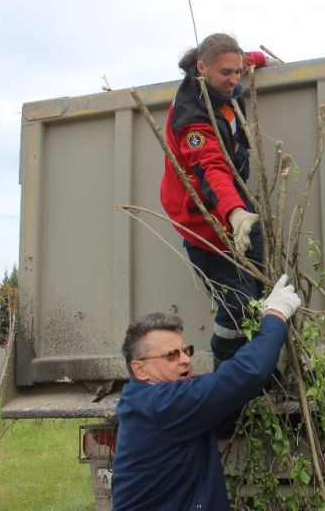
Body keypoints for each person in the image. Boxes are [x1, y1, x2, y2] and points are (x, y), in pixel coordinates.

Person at [111, 275, 301, 510]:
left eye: (185, 351)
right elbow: (243, 376)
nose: (185, 361)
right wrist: (276, 316)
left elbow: (225, 392)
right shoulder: (161, 405)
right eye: (171, 355)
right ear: (139, 369)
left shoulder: (146, 400)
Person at [160, 33, 269, 366]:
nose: (234, 79)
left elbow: (243, 59)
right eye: (227, 73)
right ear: (202, 67)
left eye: (238, 71)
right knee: (238, 308)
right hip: (205, 222)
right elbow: (212, 169)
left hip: (236, 208)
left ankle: (260, 374)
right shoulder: (191, 118)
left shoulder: (225, 73)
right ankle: (225, 377)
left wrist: (260, 60)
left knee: (262, 292)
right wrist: (234, 213)